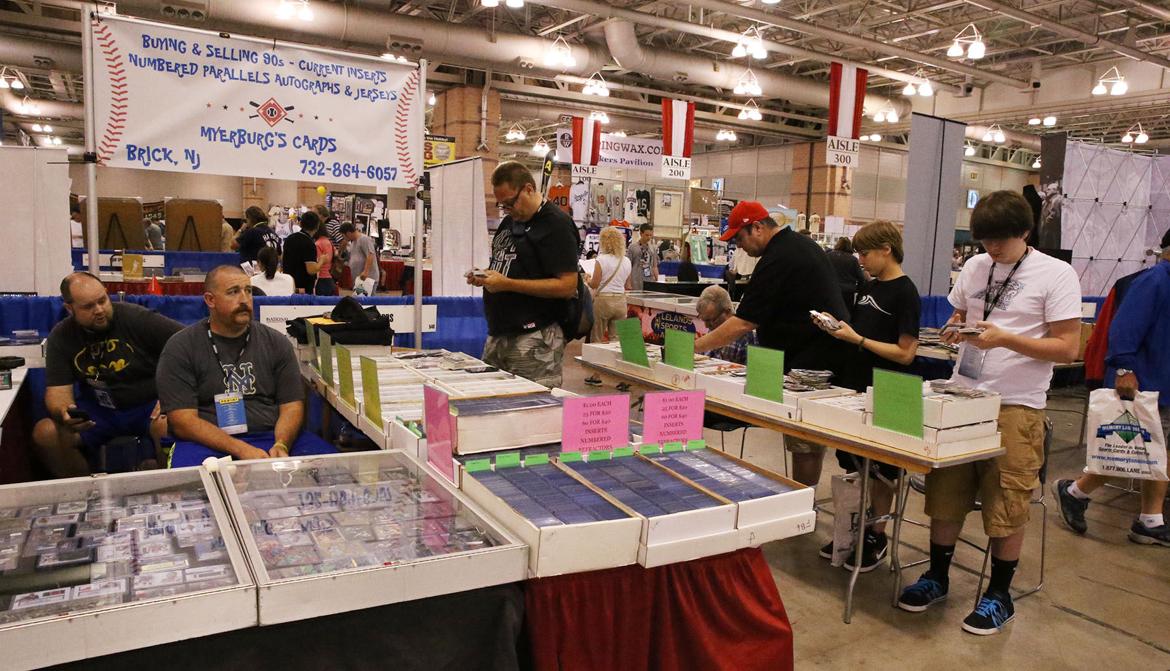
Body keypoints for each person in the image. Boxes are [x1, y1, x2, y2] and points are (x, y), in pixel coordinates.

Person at [897, 190, 1081, 636]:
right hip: (961, 397)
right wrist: (954, 330)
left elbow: (1068, 347)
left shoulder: (1056, 274)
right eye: (985, 242)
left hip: (1016, 405)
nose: (992, 250)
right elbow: (962, 310)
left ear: (1025, 232)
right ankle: (937, 576)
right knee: (946, 492)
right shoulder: (977, 266)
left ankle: (999, 594)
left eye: (1001, 241)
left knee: (1007, 499)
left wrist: (1004, 339)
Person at [693, 201, 850, 487]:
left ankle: (802, 503)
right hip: (814, 355)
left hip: (810, 361)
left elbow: (743, 322)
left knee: (803, 440)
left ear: (758, 227)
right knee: (806, 438)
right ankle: (805, 499)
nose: (740, 247)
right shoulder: (800, 245)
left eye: (740, 238)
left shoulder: (779, 258)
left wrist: (696, 348)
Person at [813, 222, 920, 572]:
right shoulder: (868, 287)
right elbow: (860, 332)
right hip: (855, 387)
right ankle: (853, 528)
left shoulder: (906, 292)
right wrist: (836, 328)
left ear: (886, 249)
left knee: (883, 470)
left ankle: (877, 533)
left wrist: (856, 340)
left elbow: (906, 353)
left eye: (866, 253)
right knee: (855, 465)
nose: (861, 261)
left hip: (888, 391)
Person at [1054, 227, 1170, 547]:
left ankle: (1150, 519)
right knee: (1128, 450)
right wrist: (1124, 369)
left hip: (1161, 382)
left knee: (1153, 452)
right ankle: (1075, 491)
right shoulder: (1154, 281)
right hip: (1144, 383)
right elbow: (1123, 328)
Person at [156, 265, 334, 466]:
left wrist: (282, 444)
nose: (244, 300)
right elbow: (183, 422)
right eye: (233, 292)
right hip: (205, 442)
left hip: (271, 436)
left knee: (333, 468)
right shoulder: (181, 347)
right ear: (210, 300)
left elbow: (291, 405)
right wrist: (241, 450)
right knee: (196, 484)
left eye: (248, 291)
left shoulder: (276, 342)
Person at [34, 272, 182, 477]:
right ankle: (86, 493)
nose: (99, 310)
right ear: (70, 308)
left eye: (102, 300)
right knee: (46, 433)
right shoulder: (61, 336)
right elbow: (57, 393)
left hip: (147, 405)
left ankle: (166, 486)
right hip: (98, 411)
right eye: (88, 307)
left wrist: (172, 394)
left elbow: (189, 347)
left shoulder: (136, 318)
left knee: (168, 424)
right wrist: (65, 413)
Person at [467, 161, 578, 388]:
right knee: (490, 407)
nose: (508, 210)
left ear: (528, 189)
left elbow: (567, 286)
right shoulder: (510, 221)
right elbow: (507, 264)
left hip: (536, 338)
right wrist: (486, 277)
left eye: (510, 202)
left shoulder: (556, 225)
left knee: (533, 411)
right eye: (502, 205)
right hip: (499, 334)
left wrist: (507, 284)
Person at [588, 226, 633, 345]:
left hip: (603, 301)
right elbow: (628, 284)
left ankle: (596, 360)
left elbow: (595, 284)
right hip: (621, 301)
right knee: (617, 341)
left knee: (597, 337)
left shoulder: (601, 259)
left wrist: (588, 279)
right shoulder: (626, 261)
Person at [696, 285, 756, 365]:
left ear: (727, 311)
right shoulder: (714, 327)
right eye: (704, 320)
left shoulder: (746, 337)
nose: (706, 326)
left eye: (711, 320)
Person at [280, 210, 320, 294]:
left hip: (289, 285)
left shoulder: (289, 238)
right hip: (304, 288)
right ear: (316, 227)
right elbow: (311, 270)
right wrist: (322, 261)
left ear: (301, 223)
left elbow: (282, 259)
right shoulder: (309, 243)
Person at [341, 222, 379, 294]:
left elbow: (370, 255)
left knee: (365, 302)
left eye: (343, 236)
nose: (344, 238)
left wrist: (366, 271)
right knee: (360, 300)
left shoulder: (364, 239)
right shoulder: (353, 243)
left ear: (348, 233)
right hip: (360, 280)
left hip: (367, 279)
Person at [828, 236, 866, 309]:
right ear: (849, 246)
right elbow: (861, 278)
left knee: (831, 311)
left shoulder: (829, 256)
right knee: (846, 313)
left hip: (831, 289)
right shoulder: (853, 259)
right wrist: (857, 290)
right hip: (847, 292)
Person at [626, 224, 659, 291]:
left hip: (649, 279)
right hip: (636, 279)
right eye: (647, 235)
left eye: (650, 235)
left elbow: (654, 266)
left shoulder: (653, 248)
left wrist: (657, 279)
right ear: (641, 234)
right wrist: (628, 282)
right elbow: (628, 266)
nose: (649, 237)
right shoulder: (632, 247)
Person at [313, 216, 337, 296]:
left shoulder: (317, 244)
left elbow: (317, 264)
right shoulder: (329, 242)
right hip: (329, 278)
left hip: (321, 280)